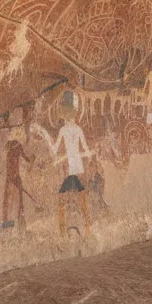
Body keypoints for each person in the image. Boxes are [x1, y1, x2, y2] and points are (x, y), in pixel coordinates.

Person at [53, 90, 93, 237]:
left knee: (62, 200)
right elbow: (86, 149)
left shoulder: (64, 130)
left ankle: (64, 234)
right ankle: (87, 229)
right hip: (76, 168)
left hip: (71, 169)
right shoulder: (77, 129)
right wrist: (88, 155)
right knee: (80, 198)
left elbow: (55, 148)